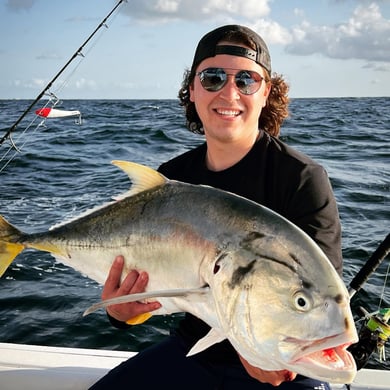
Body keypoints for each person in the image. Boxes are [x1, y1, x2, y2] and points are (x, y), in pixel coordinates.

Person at [89, 25, 342, 389]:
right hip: (192, 351)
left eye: (246, 80)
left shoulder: (301, 179)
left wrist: (266, 354)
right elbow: (142, 289)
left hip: (282, 361)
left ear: (266, 92)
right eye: (212, 78)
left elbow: (318, 295)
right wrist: (120, 312)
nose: (229, 92)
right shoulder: (172, 180)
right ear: (192, 89)